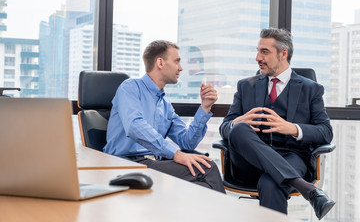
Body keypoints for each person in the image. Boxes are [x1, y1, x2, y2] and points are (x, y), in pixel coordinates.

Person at [219, 28, 335, 219]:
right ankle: (306, 188)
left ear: (283, 53)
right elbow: (225, 128)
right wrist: (236, 122)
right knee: (238, 128)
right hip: (248, 163)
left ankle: (297, 183)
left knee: (271, 183)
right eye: (257, 51)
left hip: (291, 156)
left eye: (264, 52)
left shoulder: (311, 89)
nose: (258, 57)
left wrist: (293, 129)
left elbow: (325, 132)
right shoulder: (245, 86)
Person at [104, 40, 225, 194]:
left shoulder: (165, 105)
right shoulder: (130, 88)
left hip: (153, 163)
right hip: (126, 162)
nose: (181, 68)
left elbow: (187, 142)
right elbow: (134, 126)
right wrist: (175, 154)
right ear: (160, 63)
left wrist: (205, 107)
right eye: (177, 61)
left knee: (202, 178)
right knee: (207, 170)